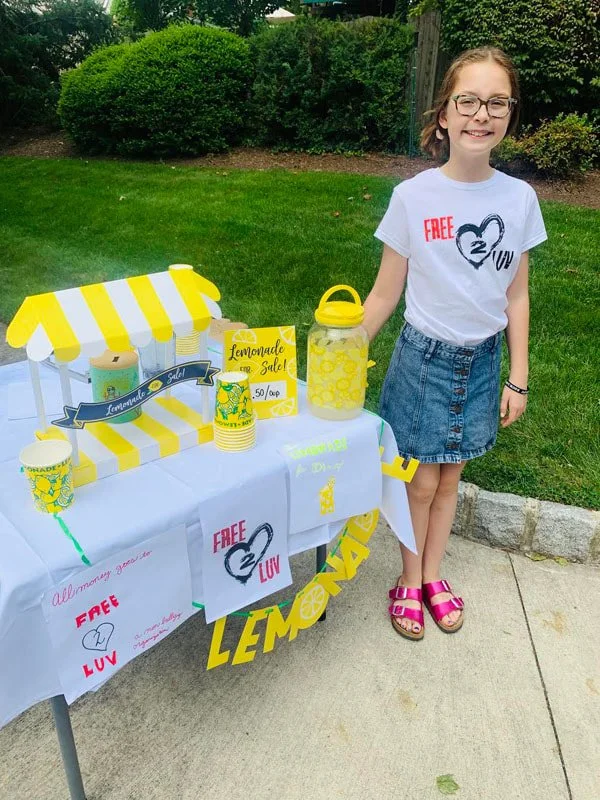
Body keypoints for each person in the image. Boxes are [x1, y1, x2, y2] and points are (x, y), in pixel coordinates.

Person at [362, 47, 547, 641]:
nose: (480, 114)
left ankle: (434, 576)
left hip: (483, 360)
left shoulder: (518, 200)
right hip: (423, 359)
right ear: (444, 114)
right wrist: (343, 350)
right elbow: (385, 294)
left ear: (509, 114)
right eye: (467, 101)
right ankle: (409, 578)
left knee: (449, 479)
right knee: (419, 480)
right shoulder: (414, 198)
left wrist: (518, 375)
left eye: (497, 102)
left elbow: (515, 296)